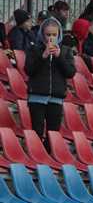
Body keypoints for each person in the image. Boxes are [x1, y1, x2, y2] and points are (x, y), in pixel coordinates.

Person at [24, 18, 75, 152]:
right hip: (37, 95)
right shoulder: (34, 49)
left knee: (53, 133)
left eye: (54, 35)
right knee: (37, 130)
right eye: (48, 35)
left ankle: (47, 157)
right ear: (42, 34)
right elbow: (29, 70)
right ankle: (36, 156)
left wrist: (59, 57)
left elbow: (70, 72)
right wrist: (44, 55)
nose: (51, 38)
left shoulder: (65, 50)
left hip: (56, 96)